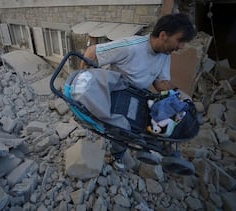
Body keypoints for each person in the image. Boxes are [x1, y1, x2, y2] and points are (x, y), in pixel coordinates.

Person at [80, 13, 196, 170]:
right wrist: (85, 84)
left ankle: (158, 149)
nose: (181, 46)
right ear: (163, 35)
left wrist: (178, 94)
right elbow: (92, 52)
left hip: (140, 96)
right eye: (180, 40)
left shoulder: (164, 55)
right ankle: (119, 156)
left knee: (161, 114)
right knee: (122, 130)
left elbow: (159, 82)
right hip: (116, 97)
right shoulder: (131, 46)